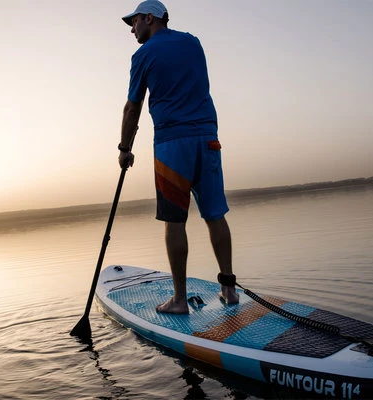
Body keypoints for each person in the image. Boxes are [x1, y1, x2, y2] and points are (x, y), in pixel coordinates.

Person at [117, 0, 239, 314]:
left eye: (134, 22)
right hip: (208, 139)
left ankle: (180, 300)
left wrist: (124, 148)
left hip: (172, 145)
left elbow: (132, 108)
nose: (132, 29)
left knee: (174, 221)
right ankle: (229, 289)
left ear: (150, 18)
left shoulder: (142, 55)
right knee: (215, 214)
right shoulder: (193, 43)